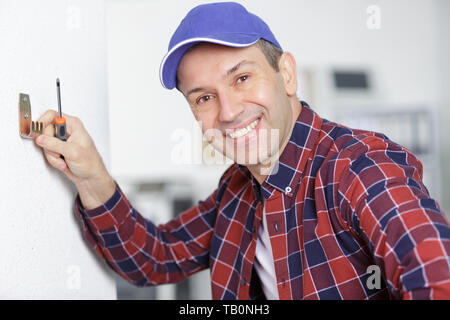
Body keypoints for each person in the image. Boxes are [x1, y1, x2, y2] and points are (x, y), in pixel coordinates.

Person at [34, 2, 450, 300]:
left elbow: (438, 279)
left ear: (286, 74)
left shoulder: (359, 167)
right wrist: (91, 175)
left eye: (242, 78)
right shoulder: (236, 189)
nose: (229, 112)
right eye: (203, 98)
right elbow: (154, 258)